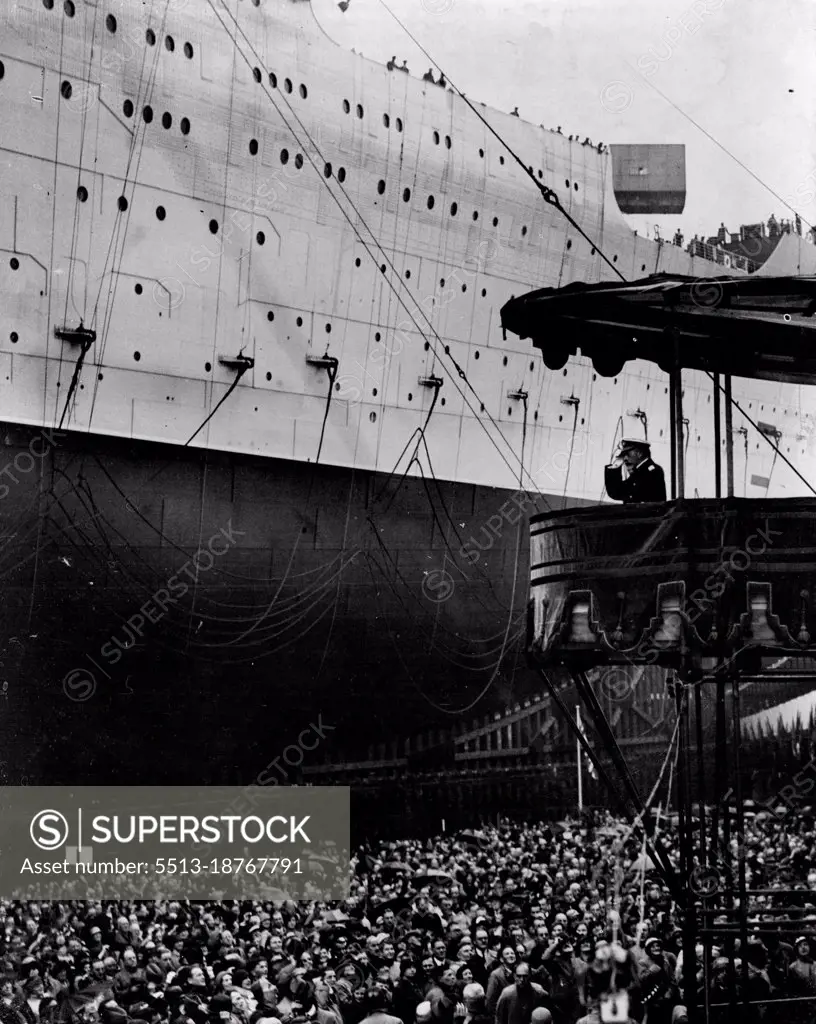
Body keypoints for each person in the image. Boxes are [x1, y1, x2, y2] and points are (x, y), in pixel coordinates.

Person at [604, 439, 666, 503]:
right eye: (623, 455)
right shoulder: (639, 472)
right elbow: (616, 492)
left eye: (627, 454)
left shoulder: (652, 471)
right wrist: (616, 464)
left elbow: (634, 496)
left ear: (639, 453)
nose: (624, 458)